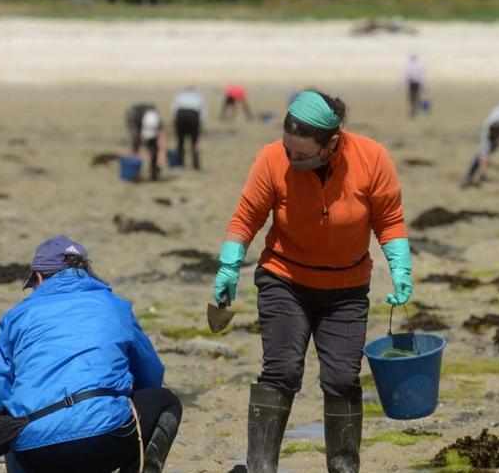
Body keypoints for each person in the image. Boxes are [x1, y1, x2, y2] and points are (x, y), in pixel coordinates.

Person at [211, 90, 413, 473]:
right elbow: (245, 218)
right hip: (284, 280)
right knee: (283, 370)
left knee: (342, 380)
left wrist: (401, 266)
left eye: (301, 154)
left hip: (347, 290)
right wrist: (229, 265)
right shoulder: (271, 159)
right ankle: (261, 467)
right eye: (288, 149)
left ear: (332, 143)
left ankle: (343, 466)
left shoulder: (372, 159)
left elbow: (389, 221)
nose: (291, 158)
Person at [0, 236, 181, 473]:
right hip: (105, 439)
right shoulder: (115, 306)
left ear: (39, 277)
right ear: (86, 270)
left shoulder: (16, 316)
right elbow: (151, 374)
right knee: (166, 401)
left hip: (34, 452)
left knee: (10, 424)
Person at [463, 103, 499, 185]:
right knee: (480, 153)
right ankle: (468, 176)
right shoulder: (486, 131)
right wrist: (482, 173)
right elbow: (483, 154)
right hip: (498, 114)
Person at [170, 86, 206, 170]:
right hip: (193, 115)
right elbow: (203, 109)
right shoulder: (199, 96)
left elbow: (174, 108)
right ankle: (196, 163)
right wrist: (201, 121)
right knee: (195, 140)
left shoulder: (179, 95)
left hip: (181, 114)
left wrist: (175, 120)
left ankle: (180, 162)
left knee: (180, 141)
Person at [140, 105, 164, 181]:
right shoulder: (154, 116)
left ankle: (152, 171)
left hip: (147, 134)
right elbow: (158, 128)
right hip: (151, 134)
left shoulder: (146, 116)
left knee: (152, 152)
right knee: (154, 153)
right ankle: (153, 171)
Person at [404, 54, 425, 118]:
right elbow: (421, 76)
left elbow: (407, 76)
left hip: (412, 83)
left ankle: (414, 109)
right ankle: (416, 109)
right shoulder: (419, 66)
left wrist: (406, 83)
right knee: (417, 96)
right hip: (417, 83)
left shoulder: (408, 66)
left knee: (412, 97)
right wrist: (422, 85)